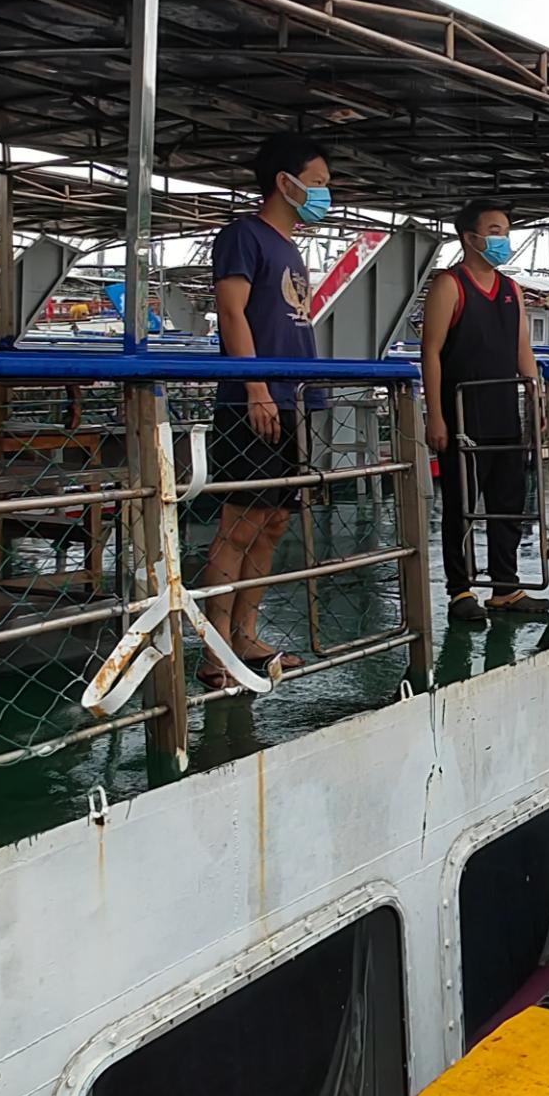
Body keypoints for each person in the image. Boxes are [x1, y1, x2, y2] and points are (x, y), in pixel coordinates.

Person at [199, 134, 329, 686]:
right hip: (253, 401)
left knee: (273, 522)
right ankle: (214, 653)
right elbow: (232, 314)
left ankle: (245, 636)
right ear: (285, 182)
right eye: (319, 183)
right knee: (239, 523)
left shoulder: (290, 246)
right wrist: (254, 387)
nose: (326, 194)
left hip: (289, 399)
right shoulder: (242, 237)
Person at [421, 200, 549, 623]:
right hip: (463, 415)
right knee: (461, 505)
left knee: (507, 504)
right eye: (494, 230)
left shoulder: (511, 289)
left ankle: (505, 587)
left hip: (504, 414)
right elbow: (432, 352)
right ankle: (460, 591)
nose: (502, 239)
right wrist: (435, 414)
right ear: (470, 237)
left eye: (505, 231)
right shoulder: (449, 285)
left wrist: (536, 398)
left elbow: (522, 350)